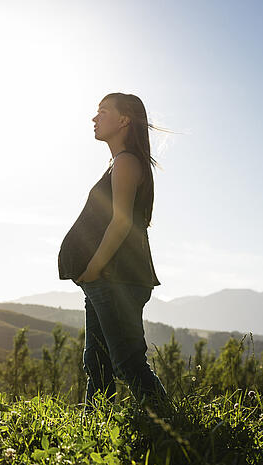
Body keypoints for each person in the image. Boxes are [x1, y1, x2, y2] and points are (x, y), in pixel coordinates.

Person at [58, 92, 168, 414]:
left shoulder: (126, 162)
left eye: (102, 111)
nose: (95, 118)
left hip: (115, 277)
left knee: (128, 363)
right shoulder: (119, 163)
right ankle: (94, 426)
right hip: (108, 279)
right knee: (97, 362)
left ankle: (171, 429)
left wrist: (93, 268)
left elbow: (120, 222)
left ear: (124, 120)